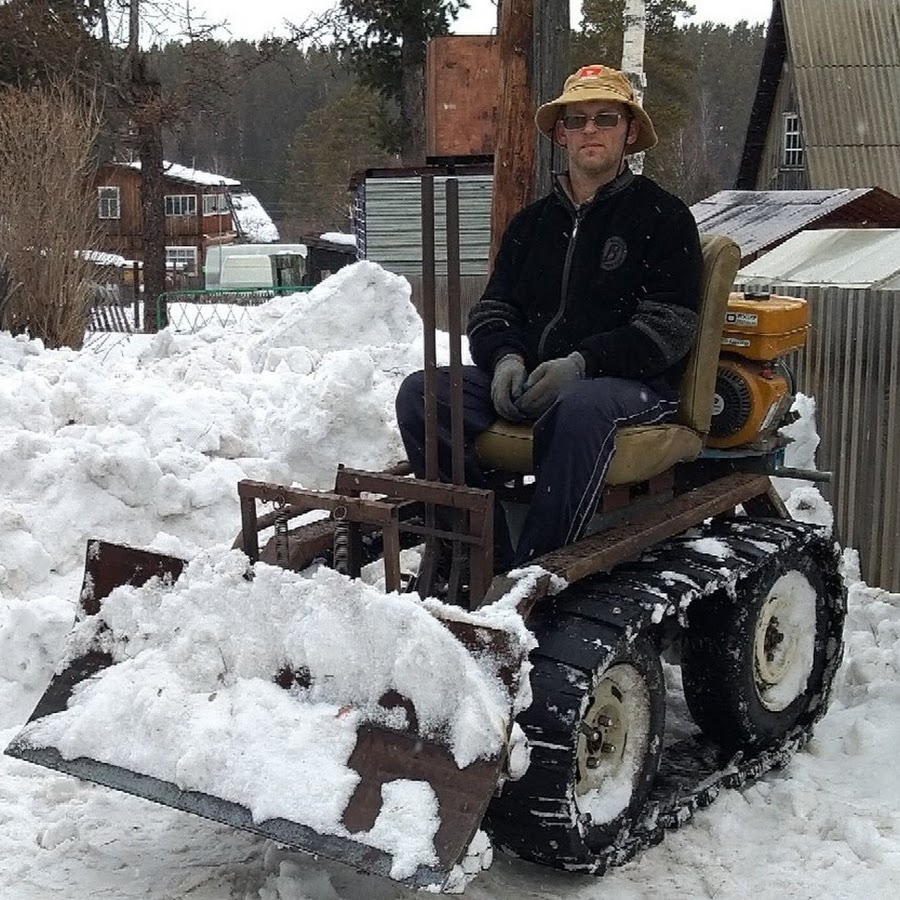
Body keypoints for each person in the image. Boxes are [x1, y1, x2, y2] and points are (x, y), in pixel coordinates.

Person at [396, 63, 703, 570]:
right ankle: (477, 556)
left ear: (629, 133)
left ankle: (537, 573)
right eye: (577, 119)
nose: (590, 130)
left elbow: (668, 328)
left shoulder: (663, 217)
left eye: (606, 119)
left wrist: (582, 364)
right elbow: (494, 309)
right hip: (532, 381)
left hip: (627, 387)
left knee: (580, 408)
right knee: (424, 392)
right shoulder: (531, 224)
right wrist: (506, 359)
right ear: (560, 133)